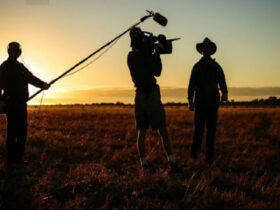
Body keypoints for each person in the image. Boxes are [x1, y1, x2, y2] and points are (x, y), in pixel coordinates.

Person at [127, 27, 179, 173]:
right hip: (151, 95)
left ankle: (143, 163)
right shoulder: (143, 55)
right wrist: (157, 52)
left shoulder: (130, 56)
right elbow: (157, 71)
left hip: (139, 96)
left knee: (141, 132)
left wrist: (152, 49)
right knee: (162, 129)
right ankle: (172, 161)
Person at [0, 42, 50, 164]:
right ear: (10, 51)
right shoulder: (4, 66)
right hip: (10, 103)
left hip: (22, 104)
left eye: (18, 50)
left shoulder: (21, 67)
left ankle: (20, 159)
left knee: (22, 132)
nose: (16, 51)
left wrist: (43, 84)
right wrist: (1, 101)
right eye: (14, 49)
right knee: (12, 132)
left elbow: (31, 78)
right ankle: (11, 160)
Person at [188, 37, 228, 162]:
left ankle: (209, 157)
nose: (205, 49)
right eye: (204, 48)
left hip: (212, 102)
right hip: (200, 102)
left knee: (211, 131)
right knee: (198, 131)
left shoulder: (216, 66)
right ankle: (194, 155)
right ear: (201, 51)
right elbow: (191, 85)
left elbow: (222, 82)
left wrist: (224, 94)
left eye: (208, 47)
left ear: (211, 50)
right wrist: (190, 101)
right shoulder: (196, 67)